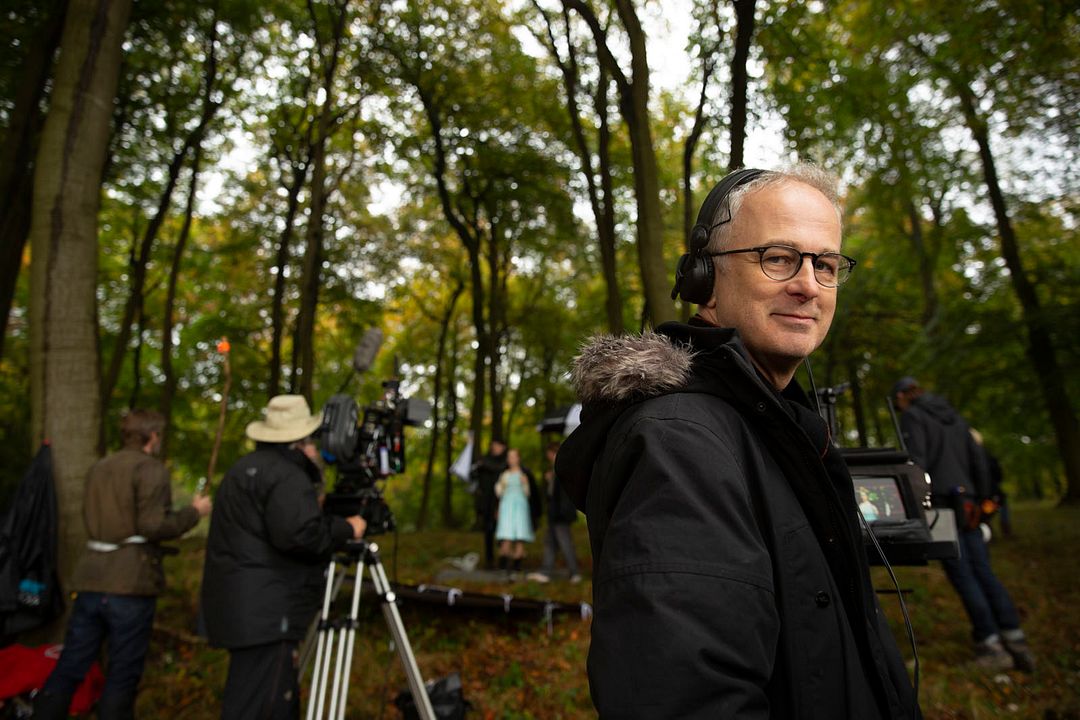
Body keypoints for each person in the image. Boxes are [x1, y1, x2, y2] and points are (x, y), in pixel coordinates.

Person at [556, 165, 920, 718]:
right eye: (778, 257)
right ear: (705, 277)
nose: (806, 284)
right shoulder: (681, 443)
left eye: (825, 264)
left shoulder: (777, 426)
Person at [33, 410, 212, 720]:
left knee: (72, 663)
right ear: (152, 437)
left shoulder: (99, 467)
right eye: (159, 436)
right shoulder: (150, 470)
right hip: (129, 583)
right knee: (123, 672)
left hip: (92, 579)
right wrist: (194, 513)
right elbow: (152, 526)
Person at [199, 395, 366, 719]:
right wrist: (348, 529)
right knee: (260, 706)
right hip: (267, 614)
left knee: (267, 699)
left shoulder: (245, 468)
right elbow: (301, 535)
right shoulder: (286, 475)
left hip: (244, 606)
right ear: (301, 440)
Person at [893, 378, 1033, 672]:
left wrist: (914, 505)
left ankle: (990, 643)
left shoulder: (913, 416)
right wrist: (983, 503)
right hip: (970, 502)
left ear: (903, 397)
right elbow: (978, 461)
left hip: (942, 504)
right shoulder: (955, 417)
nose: (898, 406)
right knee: (982, 569)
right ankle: (1014, 636)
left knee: (962, 573)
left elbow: (916, 463)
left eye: (897, 401)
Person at [527, 441, 581, 583]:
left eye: (551, 453)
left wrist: (562, 512)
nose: (549, 456)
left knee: (565, 542)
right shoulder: (556, 469)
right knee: (550, 542)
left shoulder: (563, 468)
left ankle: (575, 572)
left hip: (560, 514)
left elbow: (564, 494)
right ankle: (546, 572)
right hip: (554, 513)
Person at [493, 448, 534, 575]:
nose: (511, 459)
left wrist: (525, 484)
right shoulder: (504, 474)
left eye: (513, 456)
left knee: (519, 534)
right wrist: (500, 486)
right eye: (509, 457)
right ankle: (504, 563)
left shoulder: (524, 474)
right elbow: (499, 493)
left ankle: (517, 564)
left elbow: (528, 493)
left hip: (520, 506)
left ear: (518, 458)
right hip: (506, 506)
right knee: (506, 534)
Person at [470, 439, 507, 569]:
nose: (495, 448)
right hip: (486, 503)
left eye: (498, 446)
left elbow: (499, 469)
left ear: (503, 447)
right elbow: (473, 475)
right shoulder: (484, 460)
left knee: (503, 533)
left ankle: (504, 558)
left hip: (502, 503)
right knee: (488, 532)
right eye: (493, 446)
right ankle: (490, 560)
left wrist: (483, 464)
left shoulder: (505, 461)